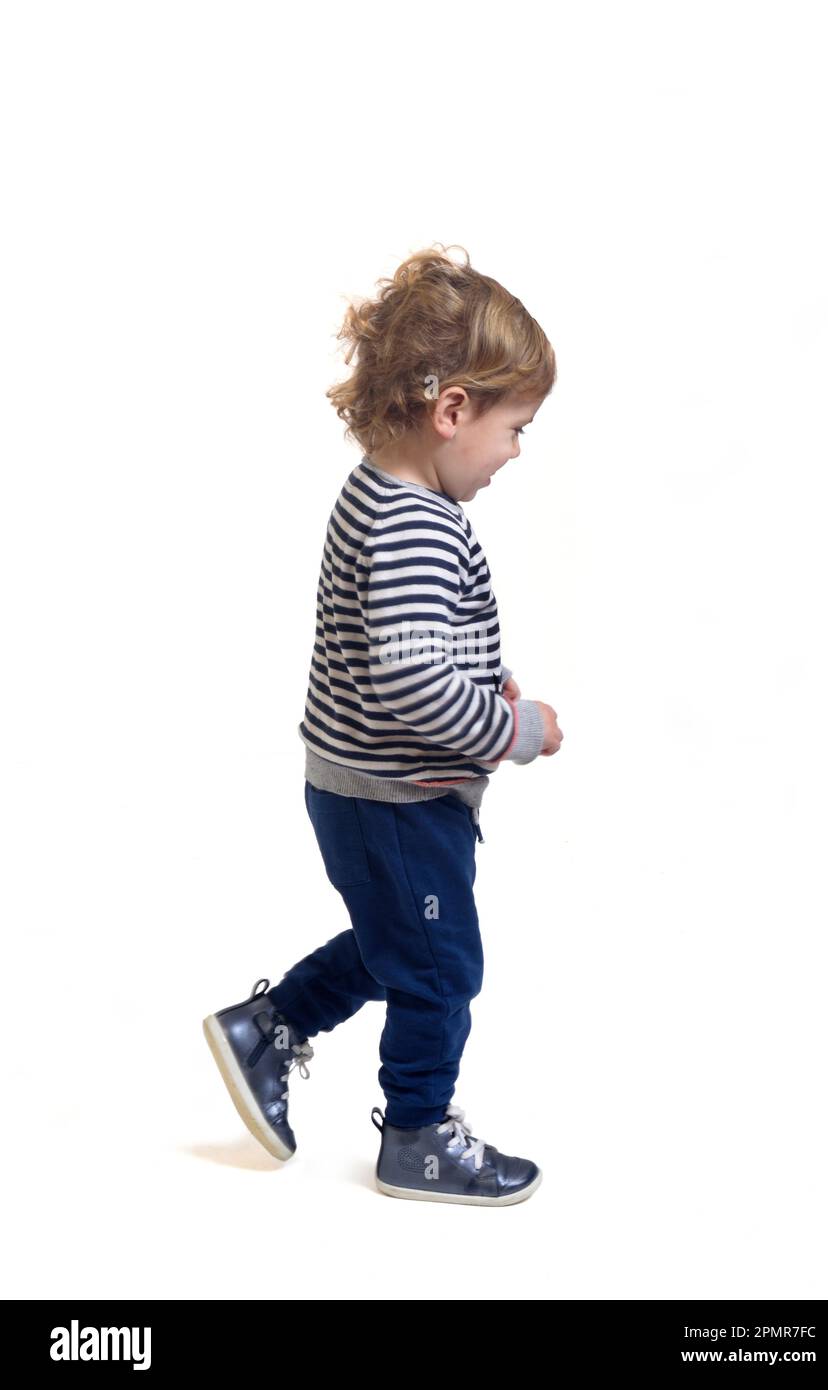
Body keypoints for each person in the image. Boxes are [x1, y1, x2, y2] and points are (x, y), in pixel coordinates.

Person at [203, 244, 564, 1205]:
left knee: (398, 937)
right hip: (397, 797)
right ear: (453, 411)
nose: (517, 451)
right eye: (516, 428)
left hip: (365, 787)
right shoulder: (412, 522)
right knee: (441, 968)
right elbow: (410, 685)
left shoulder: (383, 494)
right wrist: (513, 725)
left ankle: (267, 1029)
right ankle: (417, 1133)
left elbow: (406, 647)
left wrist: (479, 674)